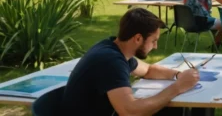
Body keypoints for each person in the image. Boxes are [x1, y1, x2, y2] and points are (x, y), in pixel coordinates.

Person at [62, 9, 199, 115]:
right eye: (153, 41)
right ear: (138, 38)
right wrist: (178, 87)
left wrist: (179, 76)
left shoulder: (115, 49)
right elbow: (129, 112)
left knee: (169, 109)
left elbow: (148, 70)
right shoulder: (111, 61)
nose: (156, 47)